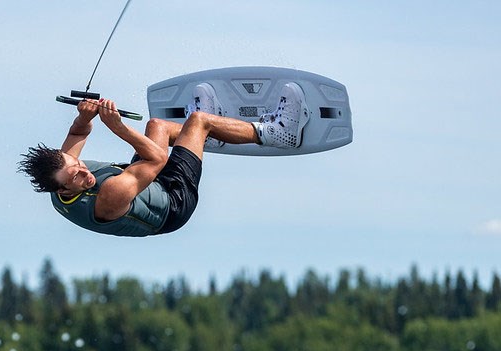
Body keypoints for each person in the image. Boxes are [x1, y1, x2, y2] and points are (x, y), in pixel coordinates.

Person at [17, 82, 308, 236]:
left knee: (158, 126)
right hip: (172, 204)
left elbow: (78, 131)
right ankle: (277, 132)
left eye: (77, 165)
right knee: (197, 121)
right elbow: (156, 160)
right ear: (63, 190)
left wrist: (85, 114)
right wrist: (117, 127)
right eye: (76, 178)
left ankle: (214, 135)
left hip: (144, 181)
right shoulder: (109, 196)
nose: (83, 172)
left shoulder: (63, 173)